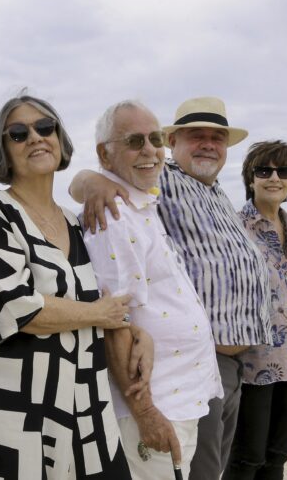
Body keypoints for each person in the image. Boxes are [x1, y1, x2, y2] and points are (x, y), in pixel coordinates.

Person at [70, 96, 271, 480]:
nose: (148, 150)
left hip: (205, 378)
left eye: (218, 137)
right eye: (197, 136)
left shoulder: (202, 195)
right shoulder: (139, 195)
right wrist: (90, 180)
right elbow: (115, 319)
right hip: (164, 392)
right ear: (176, 142)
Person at [0, 93, 138, 479]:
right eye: (18, 133)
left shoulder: (76, 223)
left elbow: (111, 302)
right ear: (2, 149)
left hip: (87, 407)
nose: (35, 137)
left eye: (45, 127)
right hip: (18, 412)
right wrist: (99, 314)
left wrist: (130, 326)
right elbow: (15, 305)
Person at [82, 100, 223, 479]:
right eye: (134, 141)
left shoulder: (141, 205)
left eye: (155, 139)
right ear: (105, 154)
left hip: (179, 396)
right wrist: (145, 413)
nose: (149, 150)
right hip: (157, 403)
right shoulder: (113, 215)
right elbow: (115, 321)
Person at [223, 141, 287, 480]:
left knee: (278, 456)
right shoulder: (232, 227)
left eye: (284, 171)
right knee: (246, 458)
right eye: (264, 170)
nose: (274, 178)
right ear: (250, 179)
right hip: (251, 362)